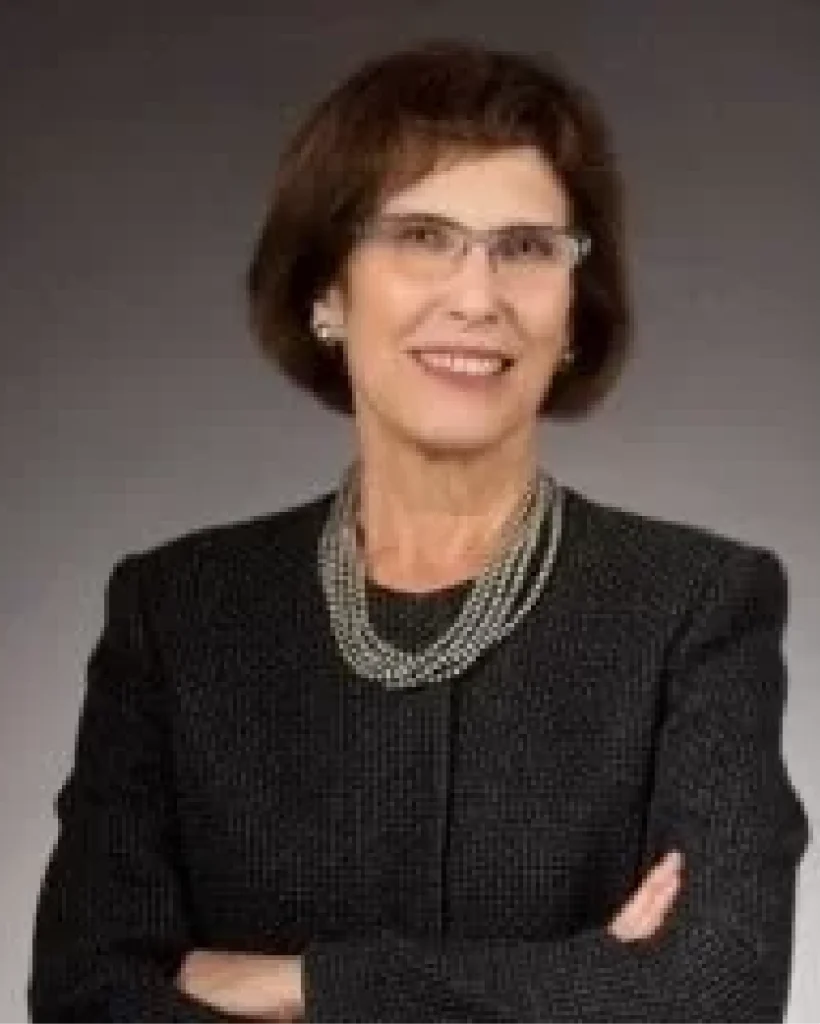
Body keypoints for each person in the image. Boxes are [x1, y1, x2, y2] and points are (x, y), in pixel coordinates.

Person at [28, 39, 809, 1023]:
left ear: (574, 312)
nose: (477, 298)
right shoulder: (180, 614)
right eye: (422, 236)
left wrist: (299, 983)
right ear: (326, 291)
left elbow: (715, 993)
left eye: (527, 248)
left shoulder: (693, 606)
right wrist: (583, 984)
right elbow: (84, 996)